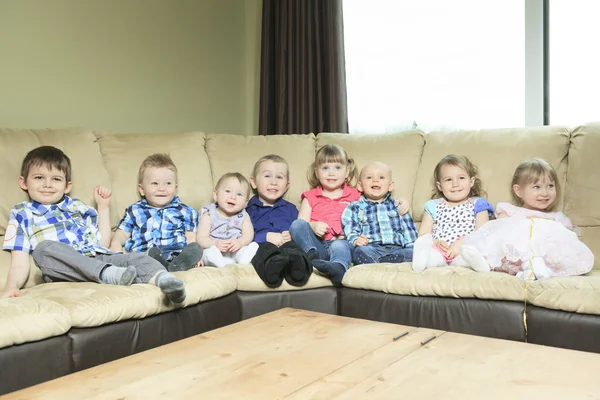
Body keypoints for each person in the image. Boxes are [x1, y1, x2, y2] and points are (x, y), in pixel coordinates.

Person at [1, 146, 186, 303]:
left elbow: (103, 244)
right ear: (23, 182)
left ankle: (166, 281)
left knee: (137, 258)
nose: (47, 184)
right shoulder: (21, 213)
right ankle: (109, 275)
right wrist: (11, 286)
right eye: (39, 177)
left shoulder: (78, 207)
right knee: (43, 249)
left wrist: (103, 208)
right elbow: (19, 264)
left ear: (67, 186)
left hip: (98, 257)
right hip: (66, 268)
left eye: (56, 179)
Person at [290, 144, 410, 285]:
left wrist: (401, 201)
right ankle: (309, 254)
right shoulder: (310, 197)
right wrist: (313, 225)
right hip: (319, 246)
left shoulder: (355, 195)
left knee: (339, 245)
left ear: (347, 172)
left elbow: (377, 200)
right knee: (296, 224)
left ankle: (338, 267)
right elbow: (301, 224)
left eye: (337, 168)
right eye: (325, 168)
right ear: (317, 172)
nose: (331, 173)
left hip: (345, 244)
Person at [461, 158, 594, 279]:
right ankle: (486, 263)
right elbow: (499, 232)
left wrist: (546, 224)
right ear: (518, 191)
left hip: (545, 256)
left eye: (550, 186)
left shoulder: (556, 218)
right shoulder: (511, 211)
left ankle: (537, 268)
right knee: (513, 230)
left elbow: (566, 240)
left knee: (553, 234)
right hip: (515, 257)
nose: (545, 192)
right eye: (537, 187)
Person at [109, 153, 202, 272]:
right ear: (142, 189)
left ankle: (174, 267)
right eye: (155, 183)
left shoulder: (186, 211)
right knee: (146, 257)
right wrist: (117, 252)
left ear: (175, 187)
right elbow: (120, 236)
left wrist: (196, 256)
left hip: (175, 256)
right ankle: (162, 267)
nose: (161, 188)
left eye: (168, 183)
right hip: (144, 256)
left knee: (194, 248)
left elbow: (191, 239)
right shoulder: (135, 210)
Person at [412, 154, 493, 273]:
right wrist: (436, 242)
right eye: (448, 179)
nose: (455, 184)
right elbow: (423, 234)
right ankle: (420, 262)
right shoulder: (433, 205)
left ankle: (479, 263)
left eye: (461, 178)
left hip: (465, 248)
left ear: (471, 182)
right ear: (440, 186)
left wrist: (461, 243)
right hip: (440, 250)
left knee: (468, 255)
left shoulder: (478, 204)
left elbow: (483, 232)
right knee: (431, 254)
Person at [246, 155, 312, 287]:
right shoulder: (247, 210)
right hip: (261, 246)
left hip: (287, 246)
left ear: (287, 185)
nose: (273, 182)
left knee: (293, 249)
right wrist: (264, 236)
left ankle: (299, 270)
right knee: (263, 250)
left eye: (279, 177)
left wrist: (291, 236)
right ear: (253, 182)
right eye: (267, 176)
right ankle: (271, 270)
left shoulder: (291, 209)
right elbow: (241, 236)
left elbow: (302, 231)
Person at [342, 162, 418, 265]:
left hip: (397, 248)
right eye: (369, 177)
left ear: (390, 186)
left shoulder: (397, 206)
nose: (375, 180)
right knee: (359, 252)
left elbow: (409, 230)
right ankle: (379, 260)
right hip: (372, 247)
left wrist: (412, 248)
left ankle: (387, 260)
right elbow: (350, 225)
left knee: (413, 253)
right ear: (360, 186)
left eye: (381, 177)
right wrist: (355, 239)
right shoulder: (355, 207)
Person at [197, 172, 258, 268]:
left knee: (244, 249)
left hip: (235, 250)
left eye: (239, 194)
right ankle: (216, 261)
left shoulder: (244, 215)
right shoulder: (209, 214)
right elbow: (201, 238)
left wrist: (240, 242)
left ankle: (244, 258)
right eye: (228, 191)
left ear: (246, 203)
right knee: (208, 252)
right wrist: (215, 243)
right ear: (216, 195)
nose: (233, 197)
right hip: (215, 248)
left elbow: (248, 234)